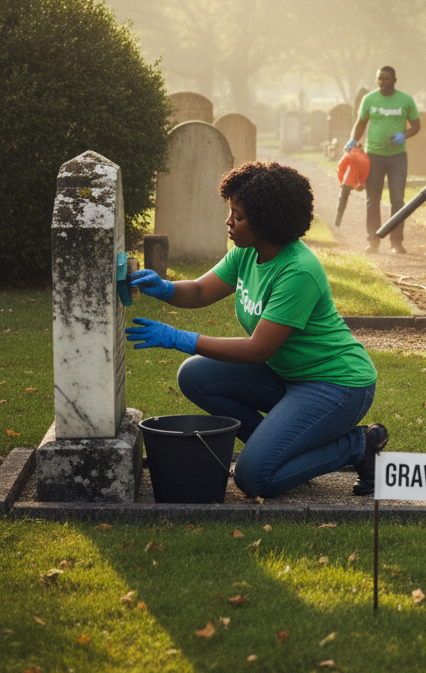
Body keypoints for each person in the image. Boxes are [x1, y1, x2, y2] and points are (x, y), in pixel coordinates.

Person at [126, 161, 388, 498]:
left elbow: (257, 350)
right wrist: (165, 288)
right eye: (231, 211)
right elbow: (203, 290)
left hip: (336, 386)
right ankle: (285, 450)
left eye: (238, 215)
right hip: (287, 376)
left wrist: (179, 338)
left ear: (266, 222)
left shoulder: (298, 271)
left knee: (254, 478)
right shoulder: (246, 253)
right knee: (195, 375)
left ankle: (357, 446)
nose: (229, 221)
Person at [344, 66, 420, 254]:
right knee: (373, 199)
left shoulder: (406, 100)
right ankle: (374, 241)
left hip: (397, 157)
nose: (383, 82)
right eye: (380, 79)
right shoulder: (369, 99)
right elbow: (360, 123)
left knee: (397, 199)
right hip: (374, 156)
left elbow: (417, 125)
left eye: (386, 79)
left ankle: (396, 242)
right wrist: (353, 140)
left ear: (394, 79)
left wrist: (405, 135)